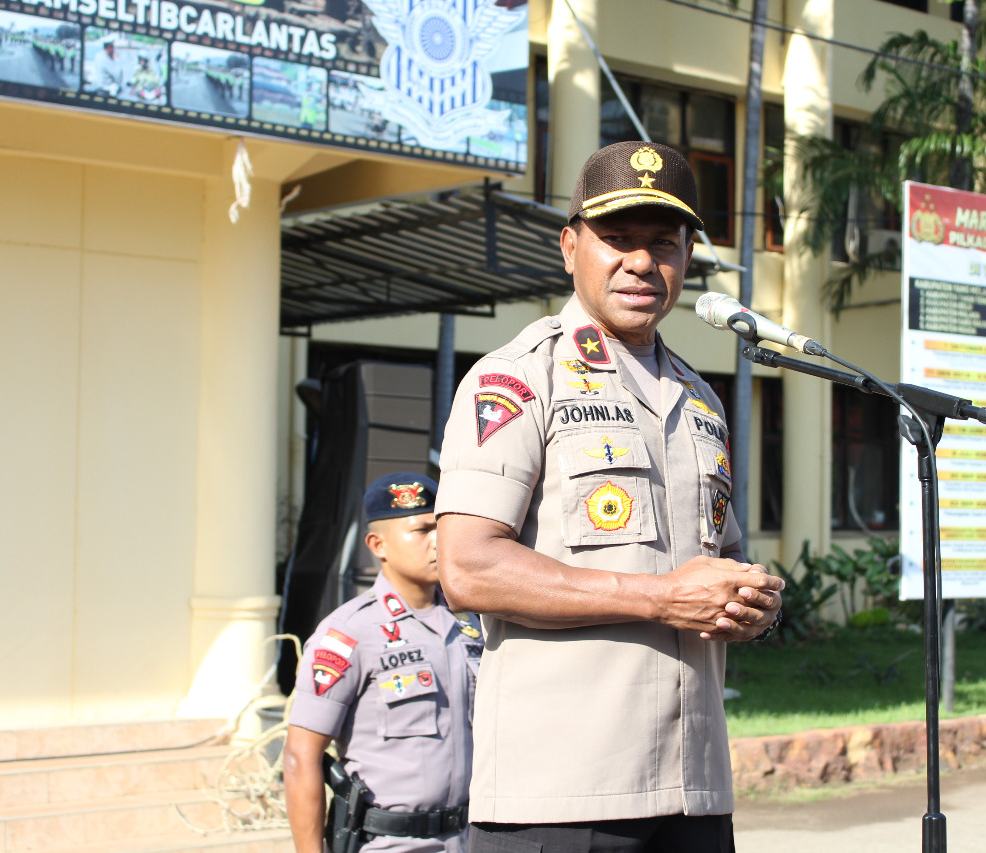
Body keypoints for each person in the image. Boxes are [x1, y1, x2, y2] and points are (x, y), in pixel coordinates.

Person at [434, 140, 785, 853]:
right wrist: (660, 598)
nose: (641, 261)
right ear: (570, 247)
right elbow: (468, 569)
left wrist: (752, 605)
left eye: (664, 242)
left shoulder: (701, 400)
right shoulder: (518, 378)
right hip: (562, 793)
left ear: (688, 257)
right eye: (617, 239)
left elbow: (719, 560)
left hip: (694, 789)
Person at [283, 473, 478, 853]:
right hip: (391, 843)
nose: (439, 541)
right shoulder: (348, 633)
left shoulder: (472, 624)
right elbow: (301, 755)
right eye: (421, 530)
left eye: (440, 527)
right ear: (378, 544)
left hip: (471, 839)